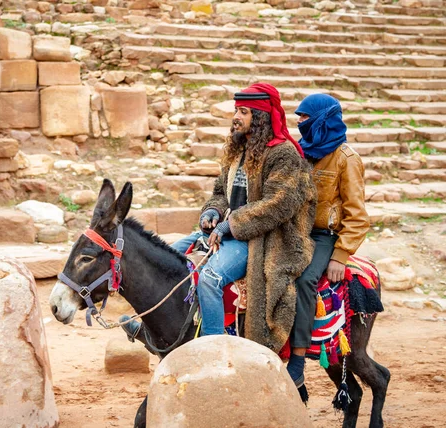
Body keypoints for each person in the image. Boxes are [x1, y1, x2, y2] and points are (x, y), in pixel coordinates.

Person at [122, 83, 316, 349]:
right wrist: (212, 211)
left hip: (260, 239)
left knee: (210, 278)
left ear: (260, 118)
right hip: (224, 231)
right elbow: (219, 192)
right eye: (236, 110)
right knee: (166, 261)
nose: (236, 117)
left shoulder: (283, 154)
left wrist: (229, 225)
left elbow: (277, 205)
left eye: (244, 112)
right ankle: (153, 330)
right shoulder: (239, 150)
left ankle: (212, 346)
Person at [287, 94, 370, 389]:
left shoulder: (347, 160)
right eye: (298, 117)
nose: (299, 123)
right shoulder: (300, 152)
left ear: (322, 120)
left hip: (324, 236)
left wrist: (340, 255)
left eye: (305, 118)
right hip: (294, 231)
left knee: (305, 280)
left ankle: (296, 362)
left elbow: (358, 216)